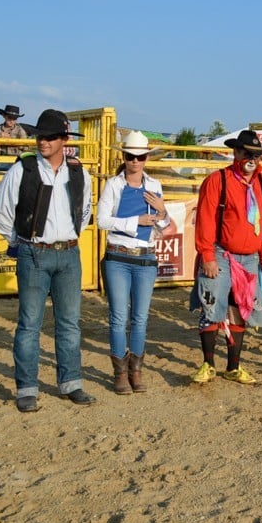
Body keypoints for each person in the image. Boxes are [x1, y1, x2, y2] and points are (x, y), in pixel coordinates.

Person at [0, 109, 93, 412]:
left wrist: (72, 234)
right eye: (39, 136)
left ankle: (71, 382)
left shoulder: (77, 171)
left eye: (48, 136)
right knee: (30, 324)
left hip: (69, 251)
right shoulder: (23, 169)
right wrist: (19, 240)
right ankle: (27, 388)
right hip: (35, 250)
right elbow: (0, 213)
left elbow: (84, 211)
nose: (42, 141)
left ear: (63, 140)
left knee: (69, 323)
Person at [190, 130, 262, 384]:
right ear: (236, 153)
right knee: (212, 306)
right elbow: (205, 220)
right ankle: (208, 364)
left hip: (251, 257)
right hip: (221, 254)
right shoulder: (217, 181)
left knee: (240, 309)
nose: (251, 158)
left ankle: (233, 366)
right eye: (246, 153)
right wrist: (207, 255)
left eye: (255, 154)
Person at [98, 131, 169, 394]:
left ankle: (135, 371)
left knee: (139, 318)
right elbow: (101, 220)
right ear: (124, 157)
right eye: (131, 156)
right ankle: (120, 372)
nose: (135, 161)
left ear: (146, 158)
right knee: (119, 317)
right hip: (118, 255)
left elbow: (163, 224)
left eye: (139, 157)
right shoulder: (113, 185)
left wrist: (161, 210)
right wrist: (135, 222)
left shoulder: (155, 186)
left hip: (144, 256)